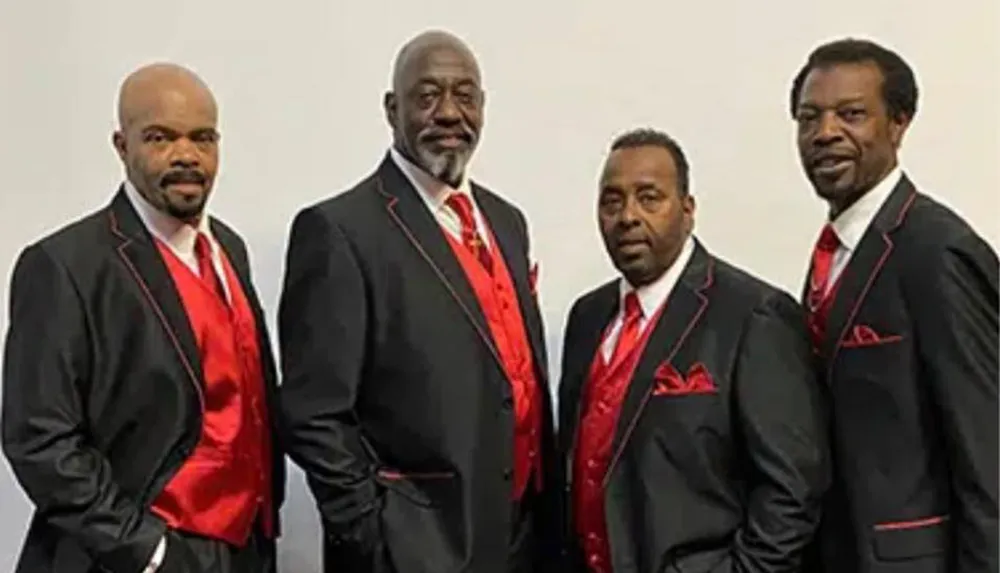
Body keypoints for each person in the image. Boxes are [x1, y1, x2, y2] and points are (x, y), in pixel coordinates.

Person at [277, 30, 556, 573]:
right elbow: (313, 412)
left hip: (522, 540)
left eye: (465, 95)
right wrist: (375, 535)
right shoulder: (339, 231)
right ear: (391, 108)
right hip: (413, 552)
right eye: (427, 95)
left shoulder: (506, 222)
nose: (449, 112)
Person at [1, 63, 283, 573]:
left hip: (244, 549)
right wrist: (146, 551)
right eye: (160, 137)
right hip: (131, 557)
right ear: (121, 144)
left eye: (203, 138)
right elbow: (38, 437)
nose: (186, 155)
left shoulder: (230, 251)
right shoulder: (64, 265)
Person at [556, 128, 829, 573]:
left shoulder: (754, 316)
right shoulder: (587, 317)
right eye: (612, 201)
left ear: (687, 211)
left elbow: (793, 491)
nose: (627, 216)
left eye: (649, 198)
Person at [791, 38, 999, 572]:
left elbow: (988, 454)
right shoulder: (831, 256)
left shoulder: (937, 250)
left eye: (852, 114)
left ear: (899, 124)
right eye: (809, 117)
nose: (826, 133)